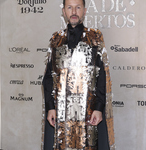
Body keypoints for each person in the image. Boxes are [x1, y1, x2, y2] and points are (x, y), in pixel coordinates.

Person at [42, 0, 115, 149]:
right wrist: (50, 107)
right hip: (61, 114)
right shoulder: (56, 41)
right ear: (64, 11)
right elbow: (48, 77)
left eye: (78, 7)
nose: (73, 12)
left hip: (88, 114)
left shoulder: (95, 38)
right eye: (69, 7)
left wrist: (99, 108)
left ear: (84, 10)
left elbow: (102, 76)